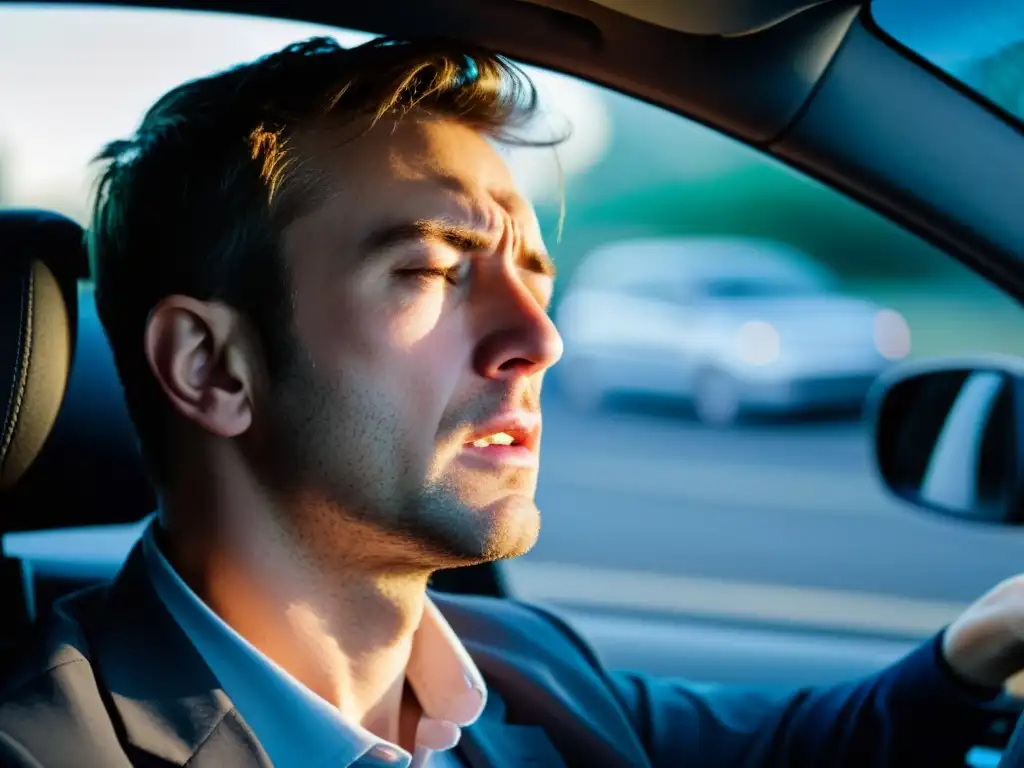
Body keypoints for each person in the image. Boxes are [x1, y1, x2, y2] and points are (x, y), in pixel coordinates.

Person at [0, 35, 1018, 768]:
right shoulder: (45, 747)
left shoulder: (522, 663)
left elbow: (796, 747)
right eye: (436, 271)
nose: (541, 339)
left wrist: (979, 648)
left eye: (533, 274)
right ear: (212, 368)